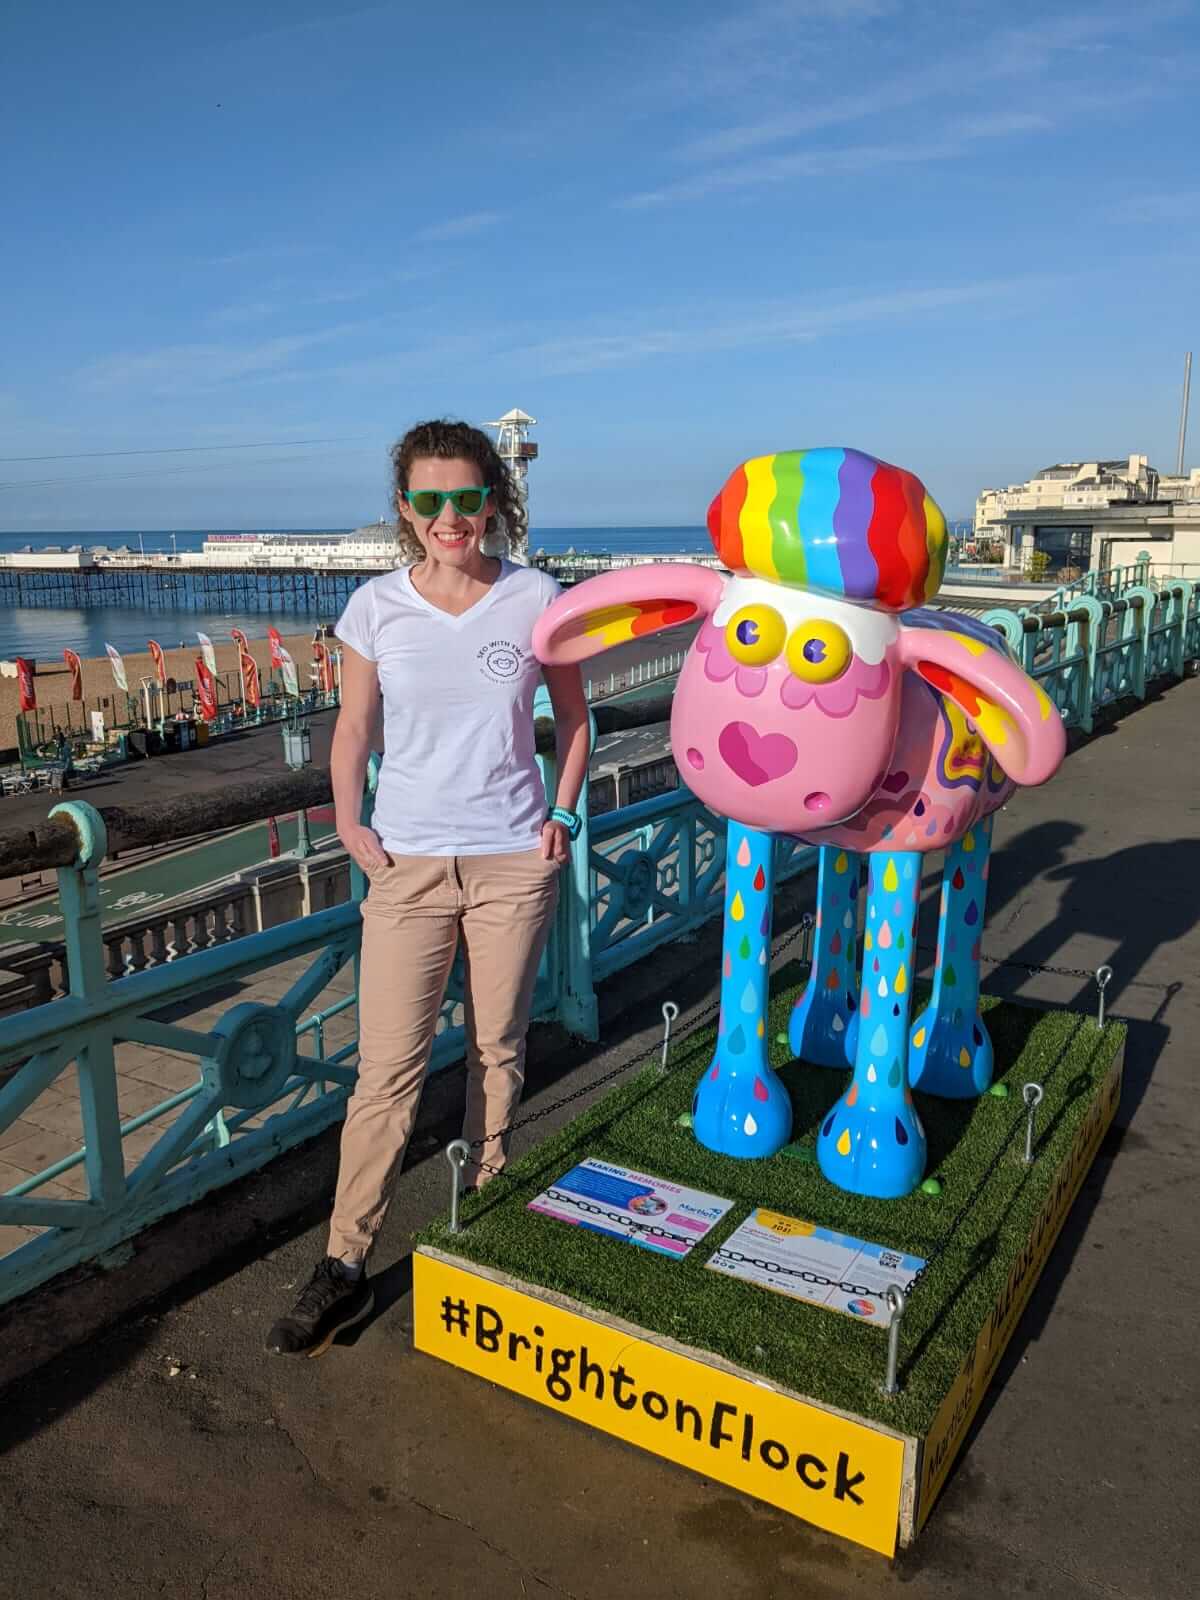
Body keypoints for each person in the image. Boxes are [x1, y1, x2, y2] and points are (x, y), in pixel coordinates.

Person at [267, 419, 589, 1358]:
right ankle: (342, 1261)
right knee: (387, 1071)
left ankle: (482, 1211)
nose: (449, 518)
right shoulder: (375, 607)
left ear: (494, 497)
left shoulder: (537, 598)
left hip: (508, 860)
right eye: (428, 500)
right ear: (404, 509)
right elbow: (354, 728)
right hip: (404, 864)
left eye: (465, 497)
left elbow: (573, 723)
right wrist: (347, 819)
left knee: (496, 1046)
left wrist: (559, 821)